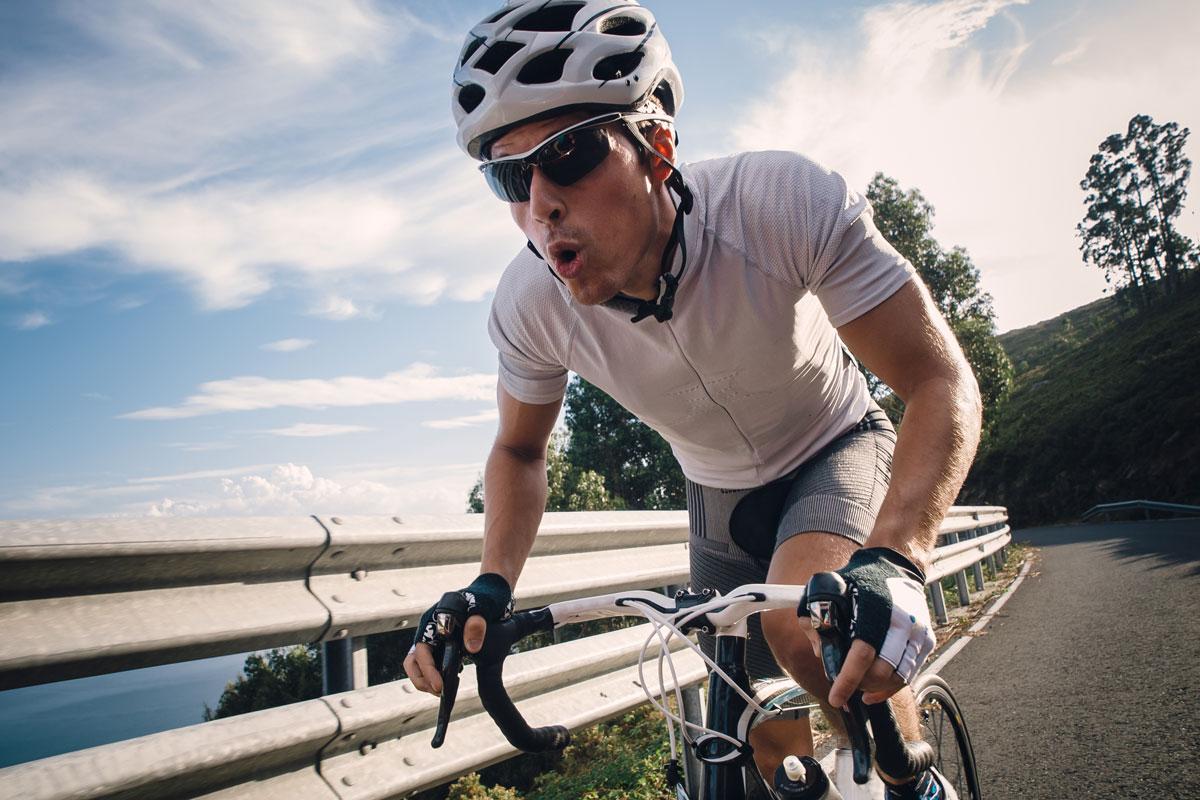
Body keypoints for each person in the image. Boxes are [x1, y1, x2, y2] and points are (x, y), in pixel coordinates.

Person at [405, 2, 981, 798]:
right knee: (739, 742)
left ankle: (910, 779)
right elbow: (518, 449)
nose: (539, 206)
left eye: (567, 153)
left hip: (834, 441)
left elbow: (939, 378)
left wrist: (896, 558)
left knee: (800, 629)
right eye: (509, 174)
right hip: (715, 491)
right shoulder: (528, 305)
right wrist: (490, 585)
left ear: (658, 144)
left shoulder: (778, 202)